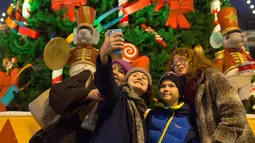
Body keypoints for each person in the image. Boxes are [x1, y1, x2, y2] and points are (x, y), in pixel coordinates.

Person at [169, 48, 255, 142]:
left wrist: (218, 140)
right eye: (175, 62)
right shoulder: (185, 91)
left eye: (182, 59)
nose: (178, 63)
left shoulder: (213, 77)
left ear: (193, 60)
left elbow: (235, 114)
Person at [89, 30, 152, 143]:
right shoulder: (117, 97)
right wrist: (104, 55)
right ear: (126, 81)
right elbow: (106, 83)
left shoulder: (144, 113)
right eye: (135, 75)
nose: (140, 77)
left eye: (144, 77)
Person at [146, 71, 199, 143]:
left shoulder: (189, 117)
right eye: (163, 86)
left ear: (180, 93)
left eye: (171, 86)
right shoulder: (152, 114)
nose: (166, 89)